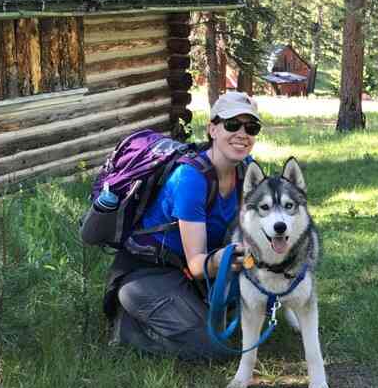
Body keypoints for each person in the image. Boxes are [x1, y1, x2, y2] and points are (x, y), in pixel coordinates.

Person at [104, 91, 262, 360]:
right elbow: (198, 265)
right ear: (212, 129)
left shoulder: (246, 171)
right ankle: (128, 329)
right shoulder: (191, 179)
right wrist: (224, 258)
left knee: (251, 306)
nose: (242, 133)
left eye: (251, 127)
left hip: (189, 275)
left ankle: (181, 312)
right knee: (215, 349)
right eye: (232, 125)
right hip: (148, 274)